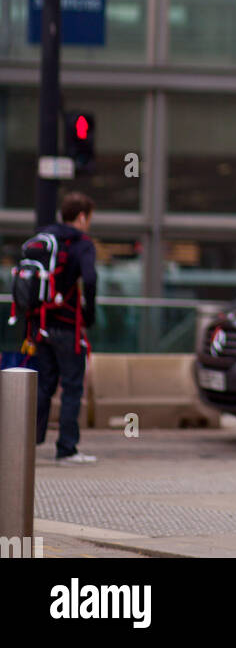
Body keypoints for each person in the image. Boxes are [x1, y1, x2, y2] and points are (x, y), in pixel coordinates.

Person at [34, 191, 98, 464]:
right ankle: (66, 449)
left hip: (40, 324)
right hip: (68, 325)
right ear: (82, 217)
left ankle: (28, 442)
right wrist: (88, 313)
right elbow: (91, 279)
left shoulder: (44, 237)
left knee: (44, 384)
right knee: (71, 387)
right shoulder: (82, 243)